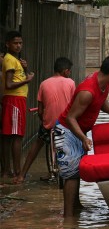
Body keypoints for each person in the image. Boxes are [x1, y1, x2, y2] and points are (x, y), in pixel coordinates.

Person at [54, 55, 109, 217]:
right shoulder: (88, 90)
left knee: (77, 170)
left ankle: (76, 206)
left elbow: (101, 103)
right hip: (67, 131)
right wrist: (84, 138)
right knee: (71, 174)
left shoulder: (103, 84)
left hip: (79, 132)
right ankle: (68, 217)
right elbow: (70, 118)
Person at [13, 57, 76, 184]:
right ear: (65, 71)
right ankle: (70, 174)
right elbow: (74, 105)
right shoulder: (70, 83)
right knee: (71, 146)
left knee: (37, 145)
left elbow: (40, 110)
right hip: (65, 125)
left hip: (49, 125)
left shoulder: (44, 83)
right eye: (69, 71)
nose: (69, 73)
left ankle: (22, 175)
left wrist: (43, 120)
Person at [1, 31, 34, 178]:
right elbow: (9, 84)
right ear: (8, 44)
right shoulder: (9, 60)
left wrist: (25, 70)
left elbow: (15, 78)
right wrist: (27, 80)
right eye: (15, 43)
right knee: (16, 136)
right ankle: (16, 171)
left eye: (20, 43)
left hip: (15, 100)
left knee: (9, 136)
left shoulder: (14, 60)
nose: (19, 45)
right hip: (15, 100)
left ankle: (7, 170)